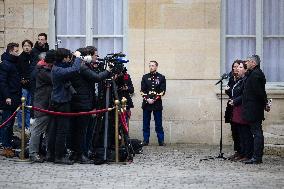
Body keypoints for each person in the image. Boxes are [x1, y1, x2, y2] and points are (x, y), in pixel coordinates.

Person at [69, 47, 110, 164]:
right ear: (87, 56)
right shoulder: (82, 67)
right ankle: (80, 154)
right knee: (82, 131)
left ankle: (83, 152)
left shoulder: (84, 66)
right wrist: (108, 71)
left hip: (86, 102)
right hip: (82, 103)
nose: (97, 57)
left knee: (85, 131)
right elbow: (96, 78)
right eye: (95, 55)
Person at [47, 48, 82, 165]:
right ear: (63, 58)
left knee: (54, 130)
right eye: (68, 57)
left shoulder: (58, 67)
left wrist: (72, 59)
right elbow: (75, 69)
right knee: (61, 131)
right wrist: (77, 57)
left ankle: (51, 154)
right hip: (61, 102)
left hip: (56, 101)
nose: (69, 58)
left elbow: (69, 68)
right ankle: (59, 156)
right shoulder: (58, 70)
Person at [29, 50, 56, 163]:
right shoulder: (42, 71)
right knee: (37, 130)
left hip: (48, 104)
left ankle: (48, 152)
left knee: (49, 131)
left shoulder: (45, 69)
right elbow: (54, 79)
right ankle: (33, 153)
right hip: (42, 104)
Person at [242, 55, 270, 164]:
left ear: (254, 63)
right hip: (252, 108)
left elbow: (260, 93)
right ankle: (255, 156)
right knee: (255, 132)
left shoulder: (256, 74)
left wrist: (265, 104)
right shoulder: (252, 73)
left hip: (254, 109)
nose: (246, 63)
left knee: (257, 132)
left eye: (248, 61)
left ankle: (257, 157)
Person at [228, 62, 253, 162]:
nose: (237, 69)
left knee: (246, 133)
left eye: (240, 67)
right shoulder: (239, 80)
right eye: (237, 67)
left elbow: (245, 95)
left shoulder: (246, 80)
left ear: (245, 70)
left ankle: (247, 154)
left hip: (243, 108)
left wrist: (235, 100)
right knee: (240, 133)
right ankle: (242, 152)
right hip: (237, 108)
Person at [0, 43, 21, 158]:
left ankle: (8, 145)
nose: (17, 53)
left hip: (15, 96)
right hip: (8, 98)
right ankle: (5, 146)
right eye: (16, 51)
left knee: (10, 123)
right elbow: (2, 82)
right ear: (10, 51)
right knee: (6, 123)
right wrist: (7, 96)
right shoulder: (6, 64)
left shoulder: (13, 63)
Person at [141, 60, 166, 146]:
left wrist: (154, 99)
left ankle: (161, 140)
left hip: (157, 104)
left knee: (158, 123)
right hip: (146, 103)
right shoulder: (145, 77)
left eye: (153, 65)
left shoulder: (161, 77)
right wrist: (147, 99)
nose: (151, 67)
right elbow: (142, 91)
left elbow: (162, 91)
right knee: (145, 123)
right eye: (150, 66)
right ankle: (145, 140)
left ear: (156, 67)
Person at [224, 60, 241, 160]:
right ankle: (237, 151)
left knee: (240, 130)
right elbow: (231, 93)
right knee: (234, 130)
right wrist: (228, 91)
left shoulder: (241, 79)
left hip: (238, 106)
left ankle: (242, 151)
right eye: (234, 67)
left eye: (237, 66)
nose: (235, 68)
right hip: (231, 106)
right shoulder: (231, 78)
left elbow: (237, 93)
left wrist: (229, 90)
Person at [17, 39, 35, 130]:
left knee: (28, 107)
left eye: (28, 46)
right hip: (23, 86)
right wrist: (22, 79)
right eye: (25, 46)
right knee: (22, 107)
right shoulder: (20, 58)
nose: (26, 47)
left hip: (30, 85)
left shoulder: (32, 57)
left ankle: (27, 126)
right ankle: (21, 126)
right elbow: (18, 72)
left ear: (31, 47)